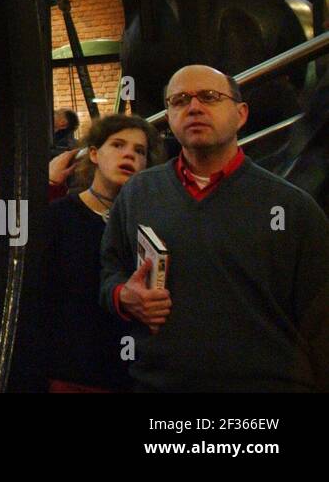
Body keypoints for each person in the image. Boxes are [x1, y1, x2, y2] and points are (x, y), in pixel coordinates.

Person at [100, 65, 329, 391]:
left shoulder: (292, 207)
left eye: (209, 97)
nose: (194, 107)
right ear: (168, 117)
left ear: (240, 114)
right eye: (179, 101)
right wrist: (123, 296)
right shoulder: (137, 193)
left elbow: (321, 323)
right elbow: (110, 271)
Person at [44, 114, 160, 392]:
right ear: (94, 154)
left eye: (139, 151)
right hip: (73, 373)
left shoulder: (150, 222)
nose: (129, 155)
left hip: (133, 374)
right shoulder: (60, 216)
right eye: (118, 145)